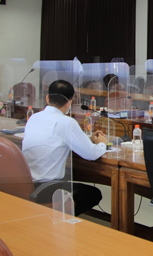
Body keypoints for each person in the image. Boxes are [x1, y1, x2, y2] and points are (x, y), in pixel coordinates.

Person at [22, 80, 106, 215]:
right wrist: (102, 143)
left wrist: (85, 139)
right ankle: (61, 220)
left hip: (27, 185)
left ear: (47, 98)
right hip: (48, 188)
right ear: (69, 103)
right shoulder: (67, 122)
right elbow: (91, 154)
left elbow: (53, 138)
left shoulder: (34, 118)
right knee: (93, 194)